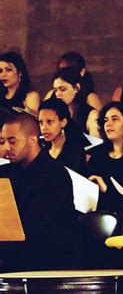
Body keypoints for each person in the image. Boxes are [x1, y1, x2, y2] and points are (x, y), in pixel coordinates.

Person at [0, 113, 80, 271]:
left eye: (12, 141)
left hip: (50, 257)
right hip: (17, 253)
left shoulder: (54, 174)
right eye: (2, 141)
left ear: (32, 140)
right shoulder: (8, 171)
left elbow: (30, 227)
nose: (6, 148)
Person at [38, 98, 87, 173]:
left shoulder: (75, 151)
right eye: (41, 122)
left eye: (49, 122)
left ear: (63, 122)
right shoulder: (39, 147)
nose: (44, 128)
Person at [51, 66, 100, 138]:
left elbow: (97, 147)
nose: (58, 94)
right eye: (56, 90)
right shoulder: (55, 113)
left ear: (76, 88)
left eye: (63, 89)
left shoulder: (91, 115)